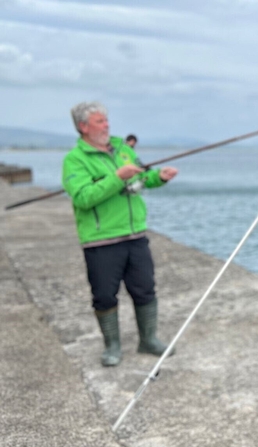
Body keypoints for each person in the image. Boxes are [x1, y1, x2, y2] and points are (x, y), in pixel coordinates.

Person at [62, 102, 178, 367]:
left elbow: (142, 176)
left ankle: (148, 340)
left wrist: (159, 177)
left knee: (145, 289)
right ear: (83, 126)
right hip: (101, 240)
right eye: (100, 121)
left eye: (106, 120)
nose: (107, 125)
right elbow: (82, 197)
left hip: (135, 235)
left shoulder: (122, 149)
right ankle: (111, 346)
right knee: (104, 295)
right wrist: (117, 177)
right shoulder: (74, 159)